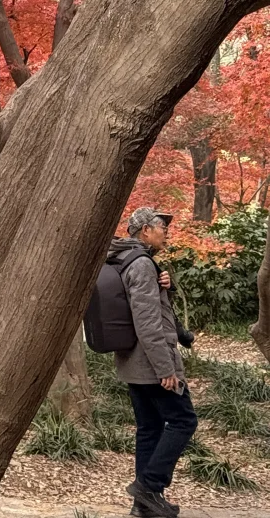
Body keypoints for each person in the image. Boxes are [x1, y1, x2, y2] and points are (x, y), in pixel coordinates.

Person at [110, 207, 197, 518]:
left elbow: (145, 305)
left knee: (149, 428)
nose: (166, 231)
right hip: (152, 364)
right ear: (144, 230)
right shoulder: (143, 264)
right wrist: (166, 369)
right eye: (162, 225)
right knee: (184, 421)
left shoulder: (123, 259)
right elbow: (148, 321)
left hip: (131, 361)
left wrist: (166, 286)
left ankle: (143, 505)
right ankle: (148, 486)